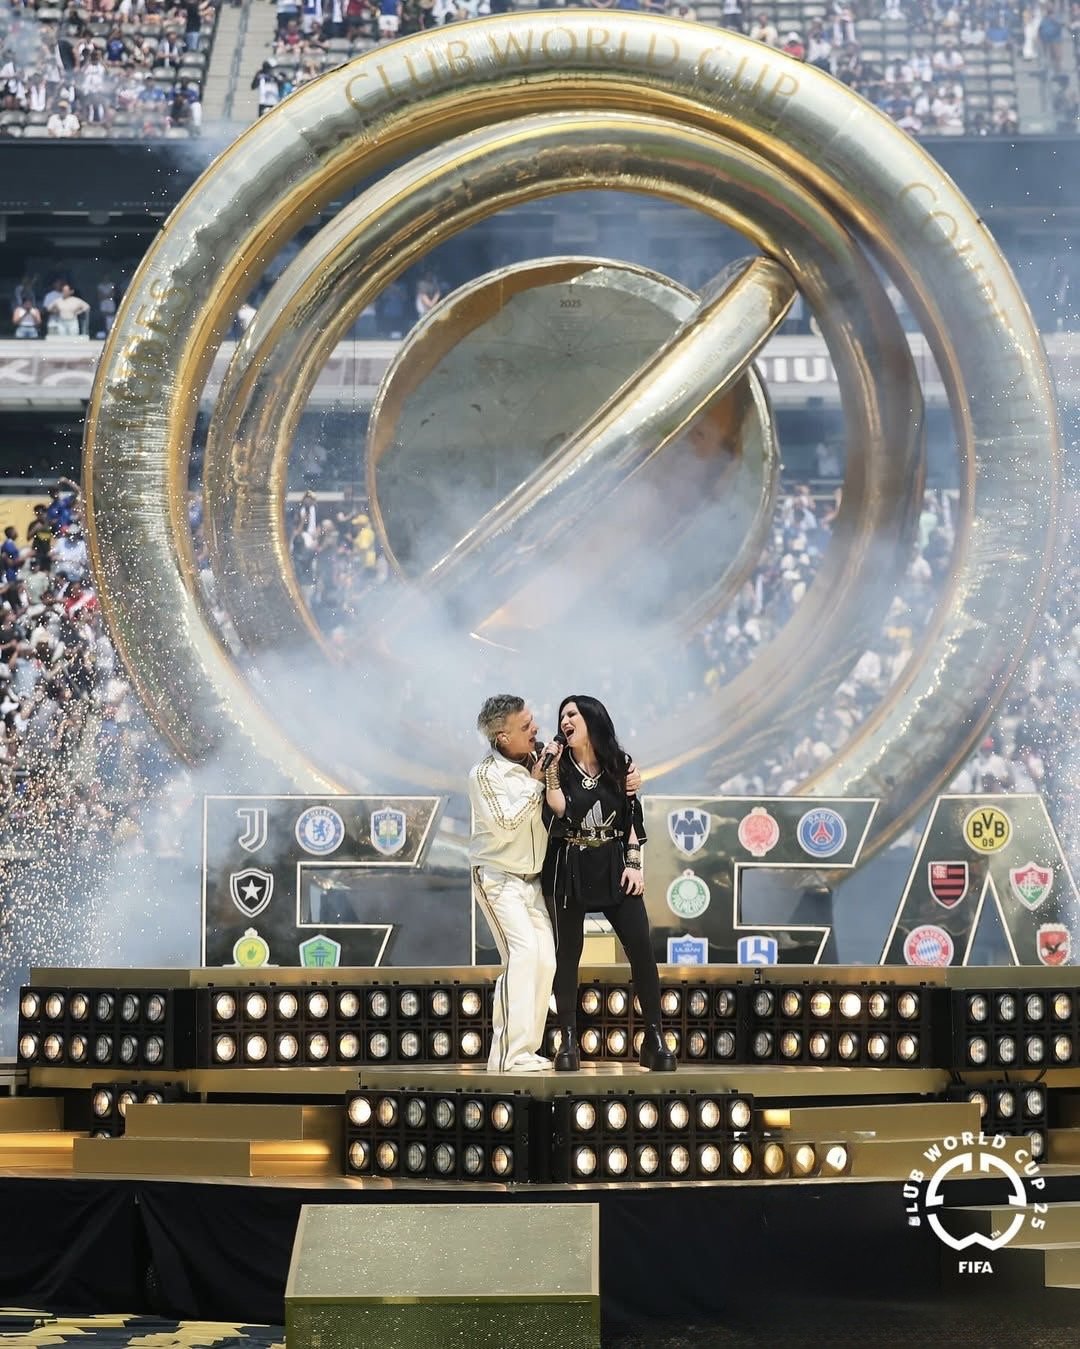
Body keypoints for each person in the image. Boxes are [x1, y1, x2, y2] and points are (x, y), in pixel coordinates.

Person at [543, 694, 675, 1072]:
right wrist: (550, 769)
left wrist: (634, 864)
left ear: (592, 719)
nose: (565, 721)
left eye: (572, 714)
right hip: (570, 866)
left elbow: (632, 818)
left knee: (641, 949)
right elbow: (559, 809)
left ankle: (654, 1038)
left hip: (614, 864)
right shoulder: (558, 764)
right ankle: (568, 1041)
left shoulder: (620, 764)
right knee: (568, 954)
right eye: (562, 716)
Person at [468, 694, 559, 1073]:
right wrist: (535, 784)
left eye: (532, 720)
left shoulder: (538, 760)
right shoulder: (484, 775)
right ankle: (506, 1055)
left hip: (531, 881)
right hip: (498, 877)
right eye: (525, 726)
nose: (535, 728)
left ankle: (527, 1049)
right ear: (502, 736)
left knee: (545, 960)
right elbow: (505, 825)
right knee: (521, 956)